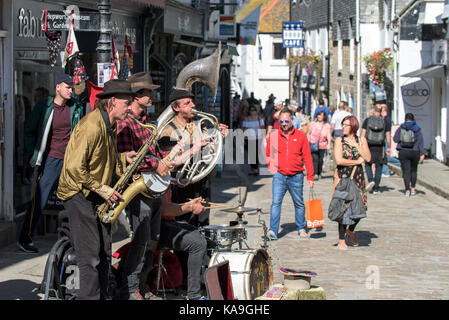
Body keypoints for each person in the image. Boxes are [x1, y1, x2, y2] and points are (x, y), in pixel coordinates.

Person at [56, 79, 138, 300]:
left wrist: (123, 158)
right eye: (127, 103)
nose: (130, 107)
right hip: (78, 194)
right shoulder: (92, 125)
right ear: (112, 102)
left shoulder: (108, 125)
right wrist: (103, 189)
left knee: (103, 254)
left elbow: (100, 161)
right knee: (90, 257)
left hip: (93, 194)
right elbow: (74, 167)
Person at [115, 72, 172, 300]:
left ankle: (141, 284)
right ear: (138, 96)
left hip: (153, 189)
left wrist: (171, 156)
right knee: (139, 241)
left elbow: (154, 152)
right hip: (137, 189)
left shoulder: (147, 121)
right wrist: (155, 163)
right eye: (149, 92)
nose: (152, 95)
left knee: (151, 242)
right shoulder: (126, 123)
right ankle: (129, 289)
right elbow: (128, 156)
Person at [17, 74, 84, 253]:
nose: (71, 90)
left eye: (72, 87)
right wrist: (32, 153)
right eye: (68, 87)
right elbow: (30, 131)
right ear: (58, 88)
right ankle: (25, 237)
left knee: (75, 198)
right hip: (50, 159)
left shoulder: (75, 107)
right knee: (40, 198)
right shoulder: (44, 106)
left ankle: (74, 239)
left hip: (70, 159)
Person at [265, 108, 314, 240]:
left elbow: (307, 157)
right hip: (279, 175)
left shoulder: (300, 136)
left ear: (292, 120)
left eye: (287, 121)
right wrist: (273, 169)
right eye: (282, 121)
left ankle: (301, 227)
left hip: (296, 175)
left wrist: (310, 176)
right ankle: (273, 230)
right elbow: (269, 154)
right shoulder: (274, 136)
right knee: (276, 203)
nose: (284, 123)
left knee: (298, 203)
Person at [156, 192, 207, 300]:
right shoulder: (156, 178)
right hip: (155, 227)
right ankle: (194, 296)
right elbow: (164, 209)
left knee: (200, 235)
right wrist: (191, 207)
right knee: (198, 243)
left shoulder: (164, 177)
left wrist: (190, 203)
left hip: (166, 222)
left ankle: (189, 284)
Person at [333, 115, 371, 250]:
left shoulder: (361, 140)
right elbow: (339, 160)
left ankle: (350, 230)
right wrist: (356, 161)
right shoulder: (339, 140)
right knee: (344, 209)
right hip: (344, 177)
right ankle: (341, 240)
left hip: (358, 178)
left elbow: (367, 157)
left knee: (360, 208)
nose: (343, 127)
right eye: (342, 124)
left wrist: (356, 146)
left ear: (353, 126)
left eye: (346, 125)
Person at [393, 113, 425, 197]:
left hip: (403, 151)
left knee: (406, 171)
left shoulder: (401, 127)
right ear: (413, 119)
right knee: (413, 170)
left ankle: (407, 189)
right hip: (415, 152)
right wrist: (422, 153)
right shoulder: (417, 128)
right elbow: (421, 141)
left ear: (405, 119)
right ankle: (413, 188)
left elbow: (395, 139)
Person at [361, 105, 391, 194]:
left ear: (374, 110)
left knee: (367, 164)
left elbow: (363, 133)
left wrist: (361, 145)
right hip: (380, 146)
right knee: (379, 166)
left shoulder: (367, 120)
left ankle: (371, 180)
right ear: (381, 111)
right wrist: (389, 146)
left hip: (369, 145)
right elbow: (388, 135)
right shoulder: (385, 122)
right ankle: (376, 188)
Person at [308, 110, 332, 180]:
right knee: (315, 159)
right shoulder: (312, 124)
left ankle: (319, 172)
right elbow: (309, 133)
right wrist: (308, 142)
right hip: (313, 143)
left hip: (322, 144)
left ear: (324, 117)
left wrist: (329, 144)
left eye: (321, 115)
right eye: (318, 115)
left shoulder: (326, 125)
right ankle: (315, 173)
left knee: (320, 160)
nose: (319, 117)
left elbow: (328, 135)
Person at [242, 105, 265, 175]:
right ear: (249, 111)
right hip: (249, 138)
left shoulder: (259, 118)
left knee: (256, 154)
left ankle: (256, 169)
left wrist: (264, 137)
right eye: (251, 110)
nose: (252, 112)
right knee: (251, 154)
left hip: (258, 138)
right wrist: (242, 138)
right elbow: (244, 129)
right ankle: (253, 169)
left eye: (254, 110)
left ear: (256, 111)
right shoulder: (246, 119)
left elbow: (262, 128)